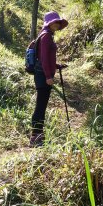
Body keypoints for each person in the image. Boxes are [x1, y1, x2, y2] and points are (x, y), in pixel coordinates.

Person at [30, 11, 68, 146]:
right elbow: (44, 59)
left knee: (42, 105)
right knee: (40, 106)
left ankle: (38, 135)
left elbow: (45, 57)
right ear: (48, 23)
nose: (57, 24)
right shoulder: (46, 37)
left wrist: (57, 66)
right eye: (54, 22)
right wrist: (48, 76)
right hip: (43, 76)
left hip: (42, 74)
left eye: (58, 22)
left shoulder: (46, 35)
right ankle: (36, 137)